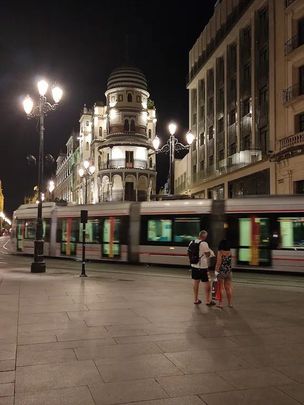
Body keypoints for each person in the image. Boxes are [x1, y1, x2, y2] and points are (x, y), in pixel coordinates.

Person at [189, 230, 215, 305]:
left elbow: (189, 253)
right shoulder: (204, 243)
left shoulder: (192, 242)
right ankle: (208, 301)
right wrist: (210, 253)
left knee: (195, 282)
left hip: (194, 266)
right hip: (203, 267)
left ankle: (196, 299)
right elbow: (207, 255)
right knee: (207, 283)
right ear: (205, 236)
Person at [215, 239, 233, 308]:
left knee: (220, 288)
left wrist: (216, 271)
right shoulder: (230, 252)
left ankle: (220, 304)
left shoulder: (220, 252)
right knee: (228, 288)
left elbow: (218, 262)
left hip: (221, 272)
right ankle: (230, 303)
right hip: (229, 271)